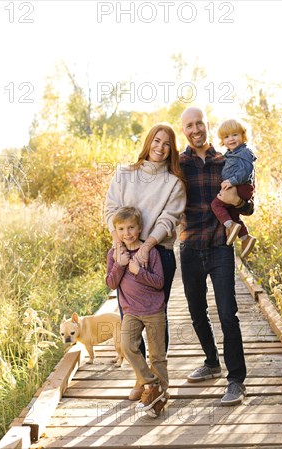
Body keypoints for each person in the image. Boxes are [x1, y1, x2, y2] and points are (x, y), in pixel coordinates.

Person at [104, 123, 186, 400]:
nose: (160, 148)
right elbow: (111, 210)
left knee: (155, 321)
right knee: (129, 317)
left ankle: (159, 382)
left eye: (167, 144)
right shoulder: (125, 173)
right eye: (157, 141)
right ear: (148, 141)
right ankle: (143, 379)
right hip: (124, 252)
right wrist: (120, 245)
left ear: (171, 150)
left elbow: (169, 219)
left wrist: (147, 245)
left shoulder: (174, 183)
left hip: (157, 253)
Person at [179, 107, 253, 406]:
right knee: (197, 313)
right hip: (189, 246)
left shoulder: (227, 158)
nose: (195, 129)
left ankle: (236, 380)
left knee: (227, 313)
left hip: (221, 245)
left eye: (200, 124)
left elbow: (248, 205)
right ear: (183, 130)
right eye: (189, 126)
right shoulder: (178, 163)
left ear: (206, 126)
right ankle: (211, 362)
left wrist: (239, 200)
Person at [105, 206, 169, 418]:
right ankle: (151, 384)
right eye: (121, 228)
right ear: (115, 230)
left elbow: (159, 283)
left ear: (139, 228)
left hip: (154, 310)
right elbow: (111, 283)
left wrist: (138, 272)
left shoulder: (150, 252)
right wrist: (120, 265)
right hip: (131, 311)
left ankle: (158, 401)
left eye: (131, 227)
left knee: (157, 355)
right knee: (127, 345)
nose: (127, 233)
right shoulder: (114, 254)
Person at [211, 118, 257, 258]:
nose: (231, 139)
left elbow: (246, 170)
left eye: (235, 135)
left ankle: (230, 226)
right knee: (232, 213)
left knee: (216, 204)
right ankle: (245, 238)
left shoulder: (244, 152)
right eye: (226, 136)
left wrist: (232, 181)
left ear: (243, 135)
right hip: (238, 187)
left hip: (241, 186)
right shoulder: (230, 154)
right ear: (222, 140)